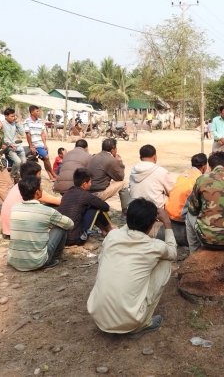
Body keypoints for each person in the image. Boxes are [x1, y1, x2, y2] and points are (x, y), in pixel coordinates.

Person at [87, 198, 177, 338]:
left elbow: (129, 226)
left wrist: (136, 215)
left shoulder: (112, 236)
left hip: (98, 317)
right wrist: (167, 223)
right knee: (165, 264)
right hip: (130, 322)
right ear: (151, 225)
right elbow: (173, 253)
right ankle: (143, 324)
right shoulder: (155, 246)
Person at [7, 176, 74, 271]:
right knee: (61, 227)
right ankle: (53, 258)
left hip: (13, 260)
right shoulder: (47, 211)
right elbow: (70, 224)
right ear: (37, 192)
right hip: (37, 262)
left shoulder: (14, 208)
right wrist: (52, 223)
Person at [0, 161, 61, 240]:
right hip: (19, 232)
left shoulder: (19, 186)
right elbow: (58, 202)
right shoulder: (32, 189)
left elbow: (48, 197)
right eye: (39, 174)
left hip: (9, 230)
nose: (40, 177)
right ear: (33, 176)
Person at [58, 168, 115, 245]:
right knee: (96, 208)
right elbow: (105, 207)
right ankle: (109, 230)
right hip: (77, 239)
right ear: (84, 184)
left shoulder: (67, 193)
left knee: (89, 207)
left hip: (62, 239)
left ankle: (104, 230)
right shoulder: (85, 195)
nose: (91, 184)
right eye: (90, 182)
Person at [87, 138, 129, 215]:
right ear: (112, 150)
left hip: (89, 191)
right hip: (98, 193)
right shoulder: (111, 160)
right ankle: (125, 212)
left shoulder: (94, 157)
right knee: (123, 184)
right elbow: (120, 177)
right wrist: (119, 161)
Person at [165, 153, 207, 223]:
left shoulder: (184, 173)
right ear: (204, 167)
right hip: (180, 216)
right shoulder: (200, 179)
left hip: (167, 212)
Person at [129, 144, 174, 209]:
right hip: (155, 210)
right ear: (155, 157)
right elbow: (172, 192)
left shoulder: (133, 170)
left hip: (135, 208)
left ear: (140, 157)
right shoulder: (161, 171)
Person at [24, 105, 56, 181]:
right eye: (37, 111)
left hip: (41, 144)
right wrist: (31, 146)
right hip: (35, 144)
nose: (38, 112)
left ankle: (51, 177)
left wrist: (45, 144)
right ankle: (53, 173)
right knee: (46, 158)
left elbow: (42, 133)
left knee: (45, 159)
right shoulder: (27, 121)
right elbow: (28, 134)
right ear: (32, 112)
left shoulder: (40, 121)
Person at [2, 108, 26, 180]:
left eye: (14, 116)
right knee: (18, 161)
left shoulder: (14, 123)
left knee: (24, 162)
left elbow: (22, 133)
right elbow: (1, 138)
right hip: (9, 147)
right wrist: (9, 143)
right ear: (6, 116)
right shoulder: (2, 124)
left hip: (18, 147)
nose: (13, 118)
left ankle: (22, 177)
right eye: (11, 116)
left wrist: (17, 123)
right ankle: (13, 175)